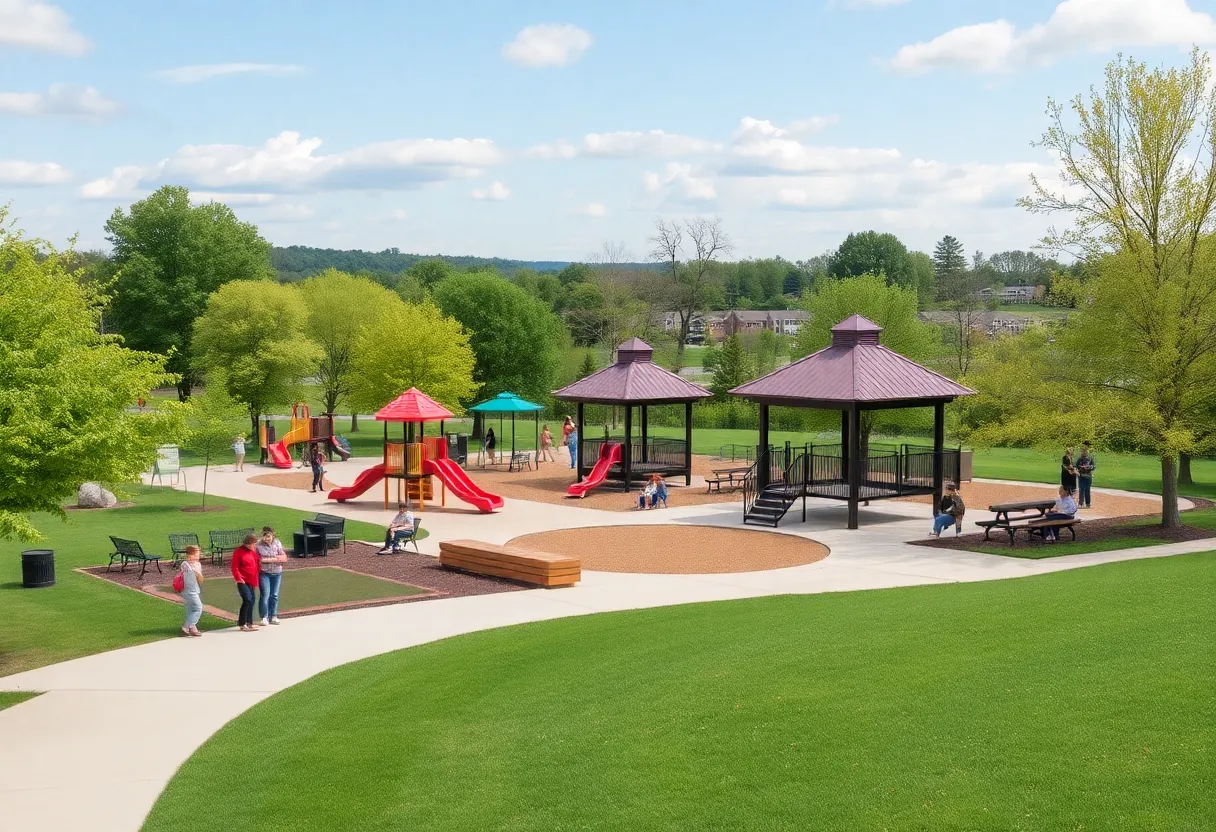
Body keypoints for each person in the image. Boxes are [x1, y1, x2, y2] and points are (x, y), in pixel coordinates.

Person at [256, 526, 288, 626]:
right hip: (264, 573)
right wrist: (275, 559)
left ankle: (273, 615)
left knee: (274, 595)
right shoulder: (258, 545)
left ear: (272, 535)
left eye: (269, 536)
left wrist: (269, 559)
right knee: (265, 595)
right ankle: (264, 617)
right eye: (265, 536)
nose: (267, 538)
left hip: (277, 572)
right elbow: (258, 559)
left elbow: (283, 557)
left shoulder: (277, 543)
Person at [231, 533, 260, 631]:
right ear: (248, 543)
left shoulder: (252, 552)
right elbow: (234, 567)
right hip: (242, 580)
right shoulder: (239, 551)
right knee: (247, 599)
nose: (254, 546)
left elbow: (256, 563)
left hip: (251, 580)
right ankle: (242, 623)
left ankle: (249, 622)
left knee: (252, 600)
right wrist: (239, 578)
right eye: (253, 544)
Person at [179, 545, 204, 637]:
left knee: (191, 609)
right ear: (191, 554)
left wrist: (198, 573)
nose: (199, 556)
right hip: (188, 591)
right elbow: (188, 574)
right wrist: (193, 568)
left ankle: (193, 628)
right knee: (198, 608)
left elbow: (200, 580)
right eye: (197, 554)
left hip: (194, 590)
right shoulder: (185, 564)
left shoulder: (198, 565)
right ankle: (186, 627)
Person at [1077, 442, 1096, 509]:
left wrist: (1089, 468)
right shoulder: (1080, 459)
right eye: (1083, 451)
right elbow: (1077, 466)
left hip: (1088, 476)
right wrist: (1082, 467)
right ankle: (1081, 503)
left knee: (1087, 490)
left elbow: (1093, 466)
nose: (1084, 453)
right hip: (1081, 476)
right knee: (1081, 489)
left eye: (1085, 451)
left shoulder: (1090, 459)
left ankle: (1088, 503)